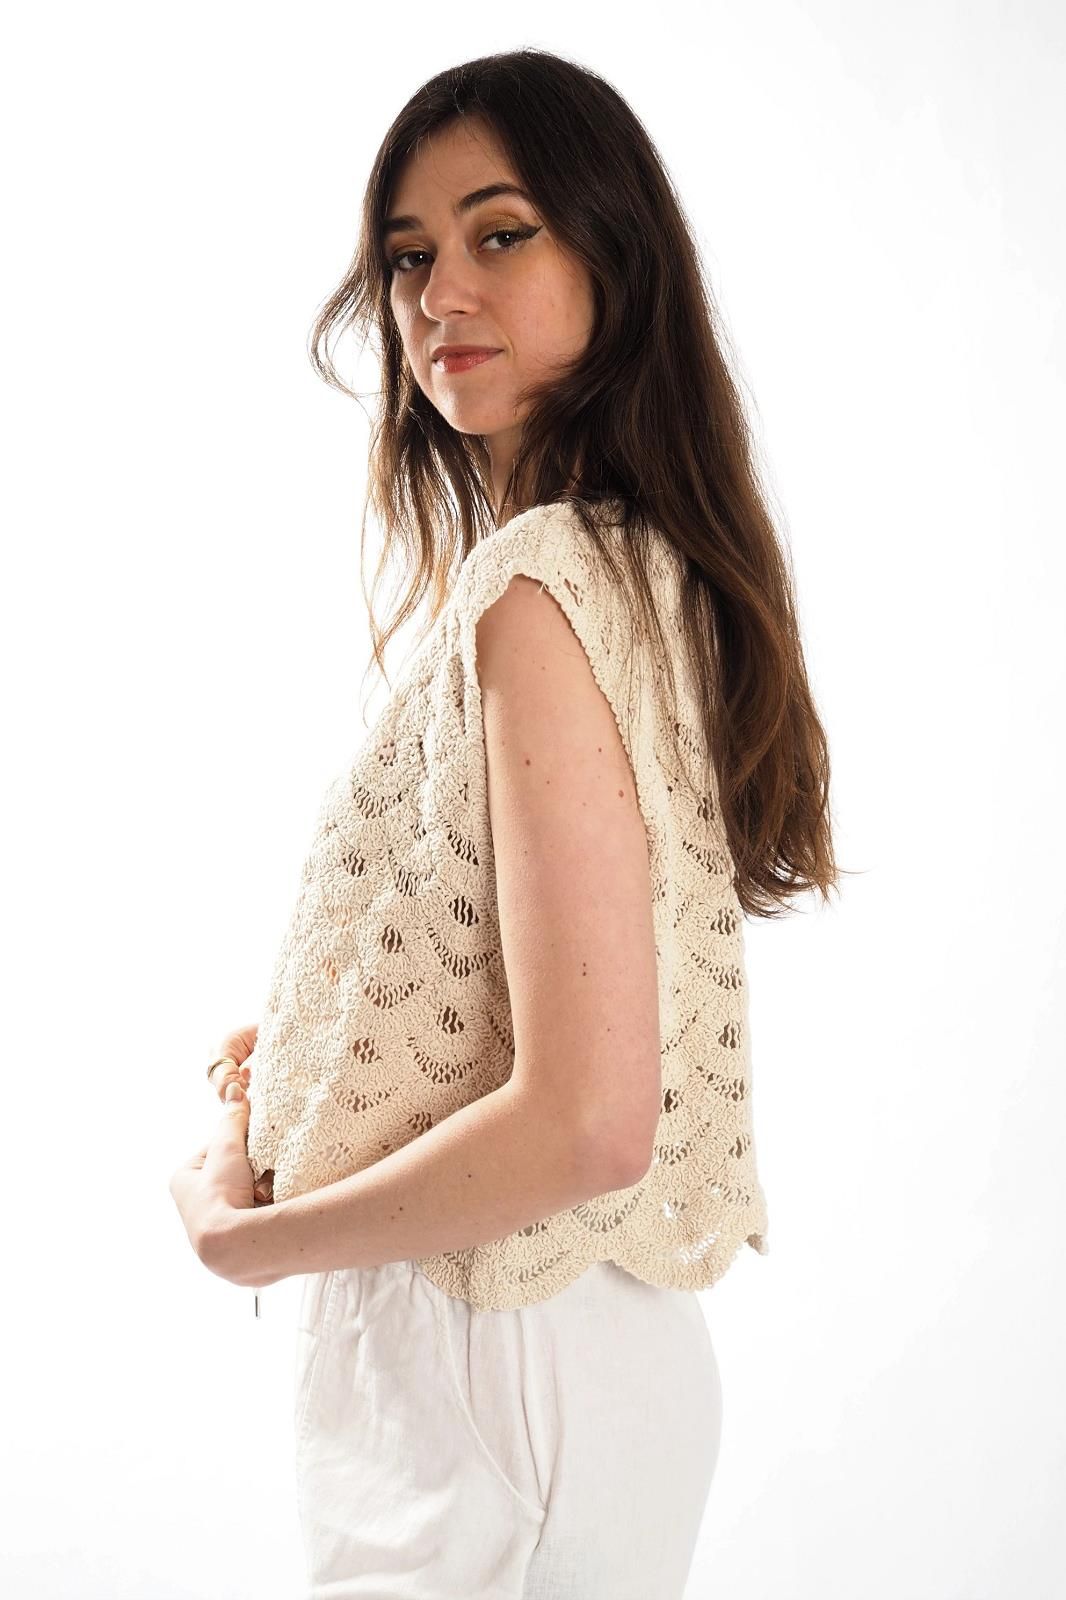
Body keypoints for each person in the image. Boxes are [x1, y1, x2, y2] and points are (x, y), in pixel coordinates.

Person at [171, 45, 843, 1600]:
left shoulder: (537, 587)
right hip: (544, 1366)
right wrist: (334, 1039)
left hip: (500, 1357)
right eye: (407, 256)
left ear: (613, 255)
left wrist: (242, 1243)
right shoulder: (631, 565)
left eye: (499, 231)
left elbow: (586, 1121)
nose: (436, 294)